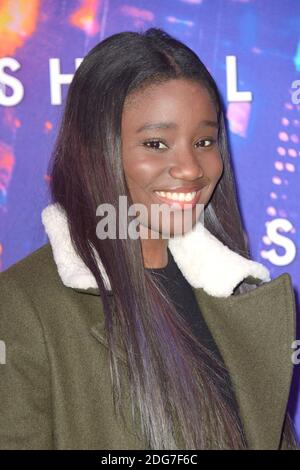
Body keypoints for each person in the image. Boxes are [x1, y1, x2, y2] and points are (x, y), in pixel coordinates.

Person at [0, 27, 299, 450]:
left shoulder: (236, 292)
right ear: (94, 149)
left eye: (204, 141)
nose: (191, 168)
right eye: (156, 143)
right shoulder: (21, 308)